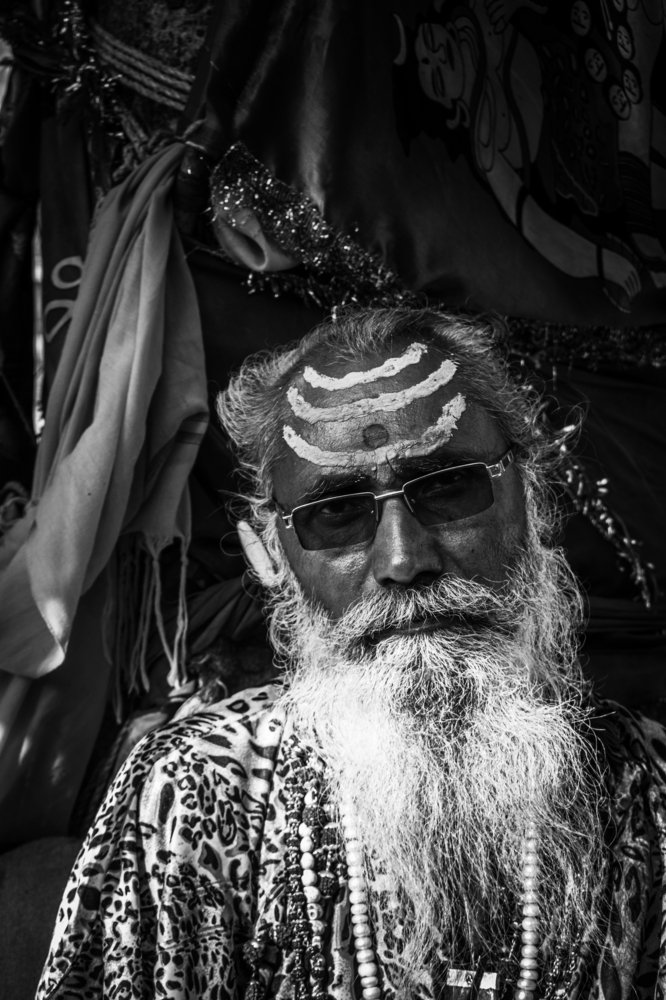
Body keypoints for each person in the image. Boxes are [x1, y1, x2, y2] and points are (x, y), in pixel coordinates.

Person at [36, 308, 666, 1000]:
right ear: (269, 553)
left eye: (448, 485)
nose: (403, 560)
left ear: (533, 499)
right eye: (336, 512)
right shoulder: (193, 792)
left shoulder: (647, 794)